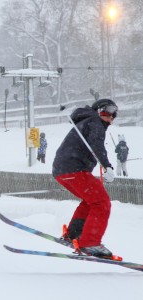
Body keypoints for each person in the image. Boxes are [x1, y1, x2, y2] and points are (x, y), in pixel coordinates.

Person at [53, 98, 118, 258]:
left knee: (91, 201)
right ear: (97, 111)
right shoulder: (94, 122)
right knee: (101, 203)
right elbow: (97, 145)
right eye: (106, 111)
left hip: (63, 170)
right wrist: (107, 165)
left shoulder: (86, 122)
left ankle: (75, 235)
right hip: (74, 169)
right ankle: (90, 243)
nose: (110, 116)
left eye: (114, 113)